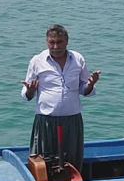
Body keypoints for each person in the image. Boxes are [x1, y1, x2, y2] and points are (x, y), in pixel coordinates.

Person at [21, 24, 101, 172]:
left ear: (67, 41)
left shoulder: (78, 59)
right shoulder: (37, 61)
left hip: (72, 120)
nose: (56, 46)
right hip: (46, 121)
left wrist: (91, 85)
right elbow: (26, 95)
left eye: (59, 42)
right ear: (47, 42)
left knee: (73, 161)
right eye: (52, 42)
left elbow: (84, 89)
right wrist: (30, 91)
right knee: (44, 163)